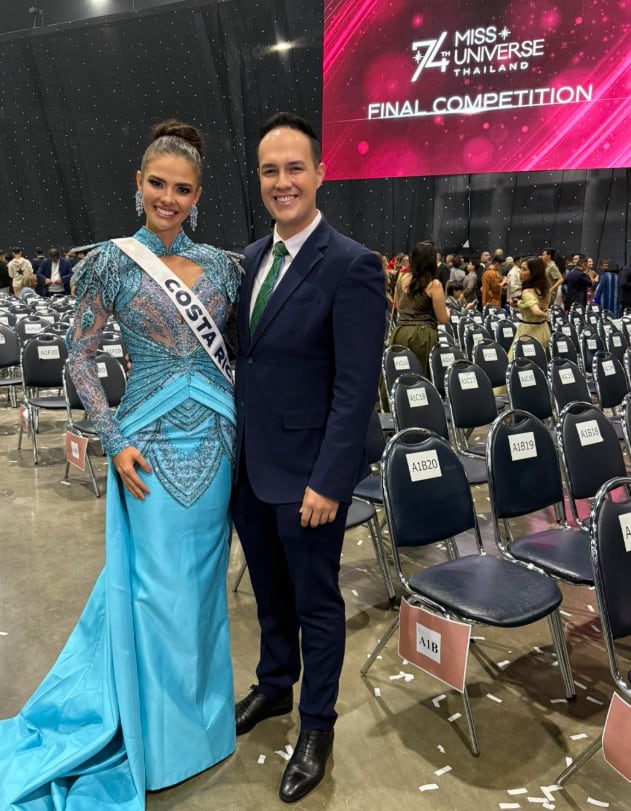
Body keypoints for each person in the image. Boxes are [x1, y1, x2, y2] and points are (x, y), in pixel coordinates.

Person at [0, 119, 240, 809]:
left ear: (198, 196)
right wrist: (110, 435)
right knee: (154, 592)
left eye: (182, 189)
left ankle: (202, 728)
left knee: (200, 594)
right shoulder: (106, 260)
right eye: (157, 184)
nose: (168, 197)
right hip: (146, 445)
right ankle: (156, 741)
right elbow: (79, 354)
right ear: (138, 185)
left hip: (218, 444)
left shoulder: (224, 265)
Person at [231, 112, 385, 804]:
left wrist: (329, 479)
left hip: (309, 479)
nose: (282, 181)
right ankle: (274, 686)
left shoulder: (350, 264)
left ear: (320, 174)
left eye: (295, 168)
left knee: (316, 604)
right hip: (252, 469)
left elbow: (356, 386)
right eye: (270, 170)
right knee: (268, 592)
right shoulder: (251, 259)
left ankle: (315, 726)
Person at [389, 240, 449, 374]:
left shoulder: (402, 279)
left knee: (400, 375)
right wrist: (448, 312)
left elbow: (398, 305)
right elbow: (443, 318)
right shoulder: (434, 284)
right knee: (420, 378)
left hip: (400, 333)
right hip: (422, 337)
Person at [509, 256, 551, 358]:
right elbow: (538, 304)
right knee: (542, 363)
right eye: (521, 269)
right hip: (544, 330)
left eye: (524, 270)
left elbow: (535, 310)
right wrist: (518, 303)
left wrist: (546, 314)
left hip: (528, 332)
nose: (520, 273)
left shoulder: (527, 291)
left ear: (534, 273)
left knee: (519, 363)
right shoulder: (544, 288)